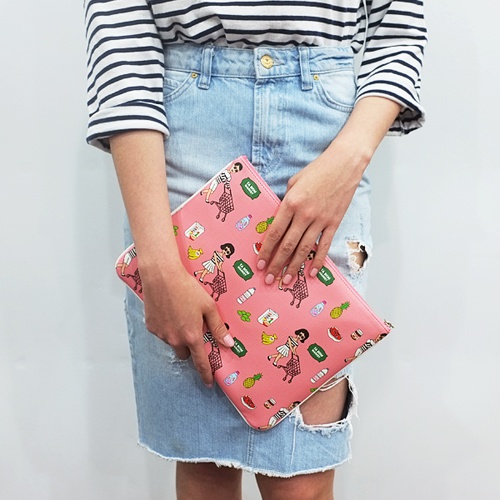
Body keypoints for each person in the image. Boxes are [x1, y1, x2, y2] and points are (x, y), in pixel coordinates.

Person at [84, 1, 426, 498]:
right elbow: (120, 38)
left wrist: (349, 160)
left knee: (303, 481)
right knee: (205, 472)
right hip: (184, 142)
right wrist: (158, 264)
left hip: (326, 144)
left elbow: (399, 24)